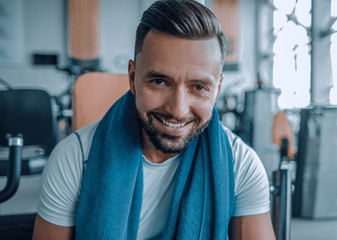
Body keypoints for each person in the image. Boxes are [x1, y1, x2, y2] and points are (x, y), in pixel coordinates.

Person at [33, 0, 275, 239]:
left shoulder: (240, 165)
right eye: (160, 81)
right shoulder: (74, 159)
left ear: (218, 88)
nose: (178, 110)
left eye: (199, 87)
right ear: (132, 77)